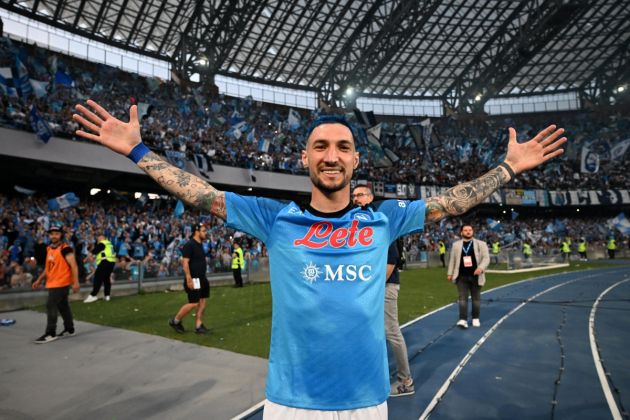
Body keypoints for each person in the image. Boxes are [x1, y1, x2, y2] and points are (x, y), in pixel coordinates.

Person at [73, 99, 566, 418]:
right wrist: (137, 150)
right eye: (321, 147)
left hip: (367, 401)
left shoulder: (385, 220)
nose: (332, 155)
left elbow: (453, 202)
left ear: (356, 160)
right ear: (305, 159)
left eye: (343, 147)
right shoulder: (274, 218)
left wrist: (507, 168)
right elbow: (201, 194)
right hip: (292, 404)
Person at [352, 185, 414, 397]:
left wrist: (374, 286)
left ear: (369, 197)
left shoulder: (380, 221)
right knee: (370, 332)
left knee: (391, 332)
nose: (355, 199)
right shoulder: (363, 222)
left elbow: (391, 260)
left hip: (384, 286)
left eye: (359, 195)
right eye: (353, 196)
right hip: (370, 286)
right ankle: (373, 375)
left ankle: (406, 380)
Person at [31, 222, 80, 343]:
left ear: (61, 235)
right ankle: (69, 329)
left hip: (61, 282)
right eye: (52, 234)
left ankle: (50, 333)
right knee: (63, 306)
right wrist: (39, 279)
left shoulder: (66, 248)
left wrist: (76, 282)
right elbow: (48, 268)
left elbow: (74, 266)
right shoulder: (49, 249)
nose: (54, 236)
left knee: (51, 305)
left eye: (56, 234)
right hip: (53, 282)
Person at [169, 223, 210, 334]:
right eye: (203, 230)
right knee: (194, 303)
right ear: (196, 231)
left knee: (202, 300)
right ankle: (175, 321)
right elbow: (185, 263)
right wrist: (188, 278)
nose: (205, 233)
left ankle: (198, 325)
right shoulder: (189, 245)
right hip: (194, 279)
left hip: (202, 277)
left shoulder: (200, 244)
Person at [447, 224, 490, 328]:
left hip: (476, 276)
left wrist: (480, 268)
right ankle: (463, 319)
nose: (468, 232)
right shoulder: (456, 245)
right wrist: (449, 273)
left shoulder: (481, 244)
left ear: (473, 232)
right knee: (462, 298)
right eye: (465, 230)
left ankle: (475, 318)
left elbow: (486, 258)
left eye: (470, 230)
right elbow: (452, 260)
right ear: (461, 232)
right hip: (461, 276)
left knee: (476, 298)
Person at [84, 234, 116, 303]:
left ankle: (93, 295)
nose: (97, 240)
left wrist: (87, 257)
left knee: (98, 278)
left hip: (104, 262)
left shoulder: (103, 243)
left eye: (98, 239)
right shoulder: (110, 244)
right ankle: (107, 296)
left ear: (102, 238)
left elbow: (94, 251)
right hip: (111, 263)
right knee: (106, 280)